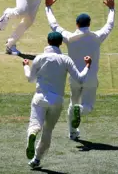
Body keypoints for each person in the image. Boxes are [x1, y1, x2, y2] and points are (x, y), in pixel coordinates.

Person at [43, 0, 115, 141]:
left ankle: (72, 132)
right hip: (90, 78)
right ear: (89, 24)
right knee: (87, 106)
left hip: (75, 78)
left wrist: (48, 7)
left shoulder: (69, 38)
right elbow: (109, 25)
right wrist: (111, 9)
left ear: (77, 24)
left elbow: (54, 25)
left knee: (72, 102)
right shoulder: (97, 37)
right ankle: (80, 111)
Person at [23, 31, 92, 169]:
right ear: (61, 44)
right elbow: (79, 78)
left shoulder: (39, 58)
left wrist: (25, 65)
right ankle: (36, 159)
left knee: (35, 125)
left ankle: (32, 133)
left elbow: (30, 79)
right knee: (47, 131)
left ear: (48, 41)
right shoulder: (66, 59)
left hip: (39, 98)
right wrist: (87, 65)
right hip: (57, 101)